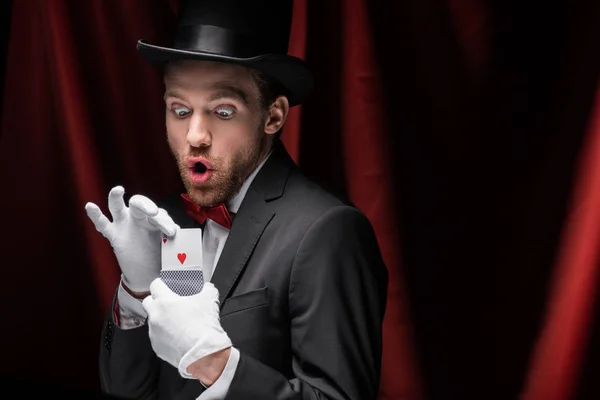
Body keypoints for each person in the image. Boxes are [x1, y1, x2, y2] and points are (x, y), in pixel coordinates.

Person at [85, 0, 388, 398]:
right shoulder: (173, 218)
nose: (195, 136)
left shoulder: (328, 231)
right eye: (179, 109)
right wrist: (136, 292)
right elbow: (128, 391)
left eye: (223, 112)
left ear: (273, 117)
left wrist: (219, 365)